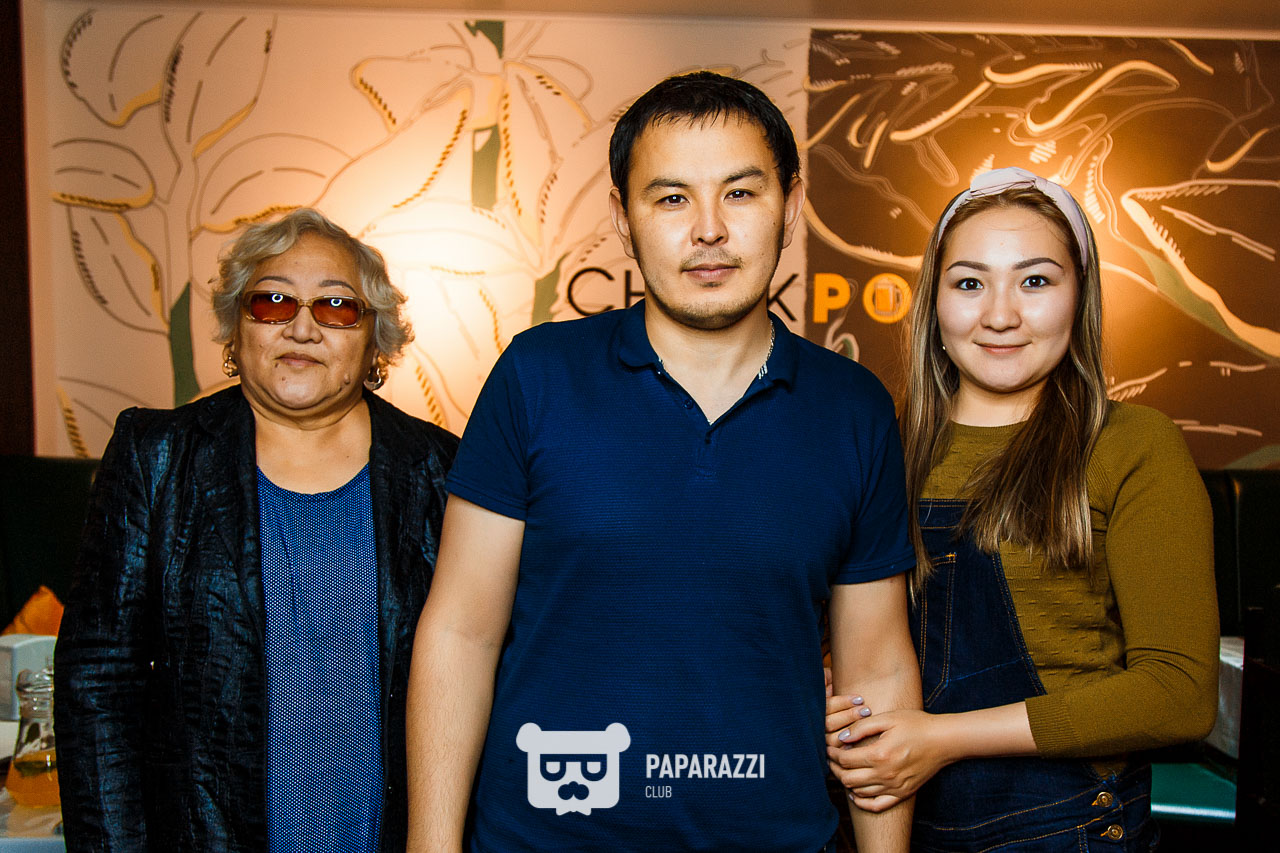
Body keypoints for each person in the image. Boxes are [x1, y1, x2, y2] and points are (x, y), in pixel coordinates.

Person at [404, 71, 920, 853]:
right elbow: (461, 632)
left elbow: (875, 670)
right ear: (623, 217)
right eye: (672, 197)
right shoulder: (536, 377)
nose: (708, 229)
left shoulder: (854, 408)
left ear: (790, 203)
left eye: (740, 193)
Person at [824, 167, 1219, 850]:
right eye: (969, 283)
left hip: (1064, 826)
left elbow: (1179, 694)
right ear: (934, 302)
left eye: (1035, 281)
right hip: (890, 820)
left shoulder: (1131, 444)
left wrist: (941, 738)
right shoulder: (880, 447)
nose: (1000, 314)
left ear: (1079, 296)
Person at [54, 208, 458, 853]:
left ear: (374, 340)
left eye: (336, 307)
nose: (301, 327)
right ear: (235, 331)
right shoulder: (156, 455)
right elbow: (98, 683)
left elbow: (482, 674)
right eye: (272, 302)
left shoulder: (444, 470)